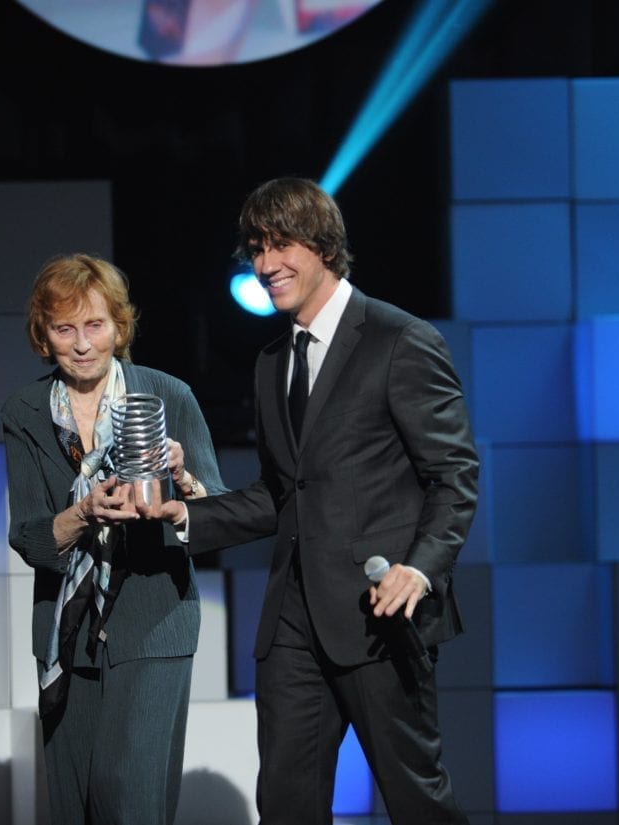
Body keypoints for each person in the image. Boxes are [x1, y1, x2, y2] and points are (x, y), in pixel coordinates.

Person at [140, 177, 479, 824]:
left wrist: (420, 567)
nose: (265, 264)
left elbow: (454, 472)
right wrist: (187, 517)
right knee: (287, 806)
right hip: (293, 625)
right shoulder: (271, 361)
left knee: (417, 800)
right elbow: (282, 494)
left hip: (381, 616)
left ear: (323, 245)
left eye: (281, 245)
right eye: (256, 249)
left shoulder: (398, 340)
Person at [2, 252, 224, 825]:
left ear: (119, 328)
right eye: (64, 328)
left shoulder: (167, 396)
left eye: (95, 325)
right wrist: (83, 512)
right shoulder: (24, 412)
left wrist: (182, 481)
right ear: (43, 336)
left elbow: (219, 518)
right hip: (65, 630)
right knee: (76, 803)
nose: (81, 343)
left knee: (128, 797)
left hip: (155, 619)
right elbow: (29, 536)